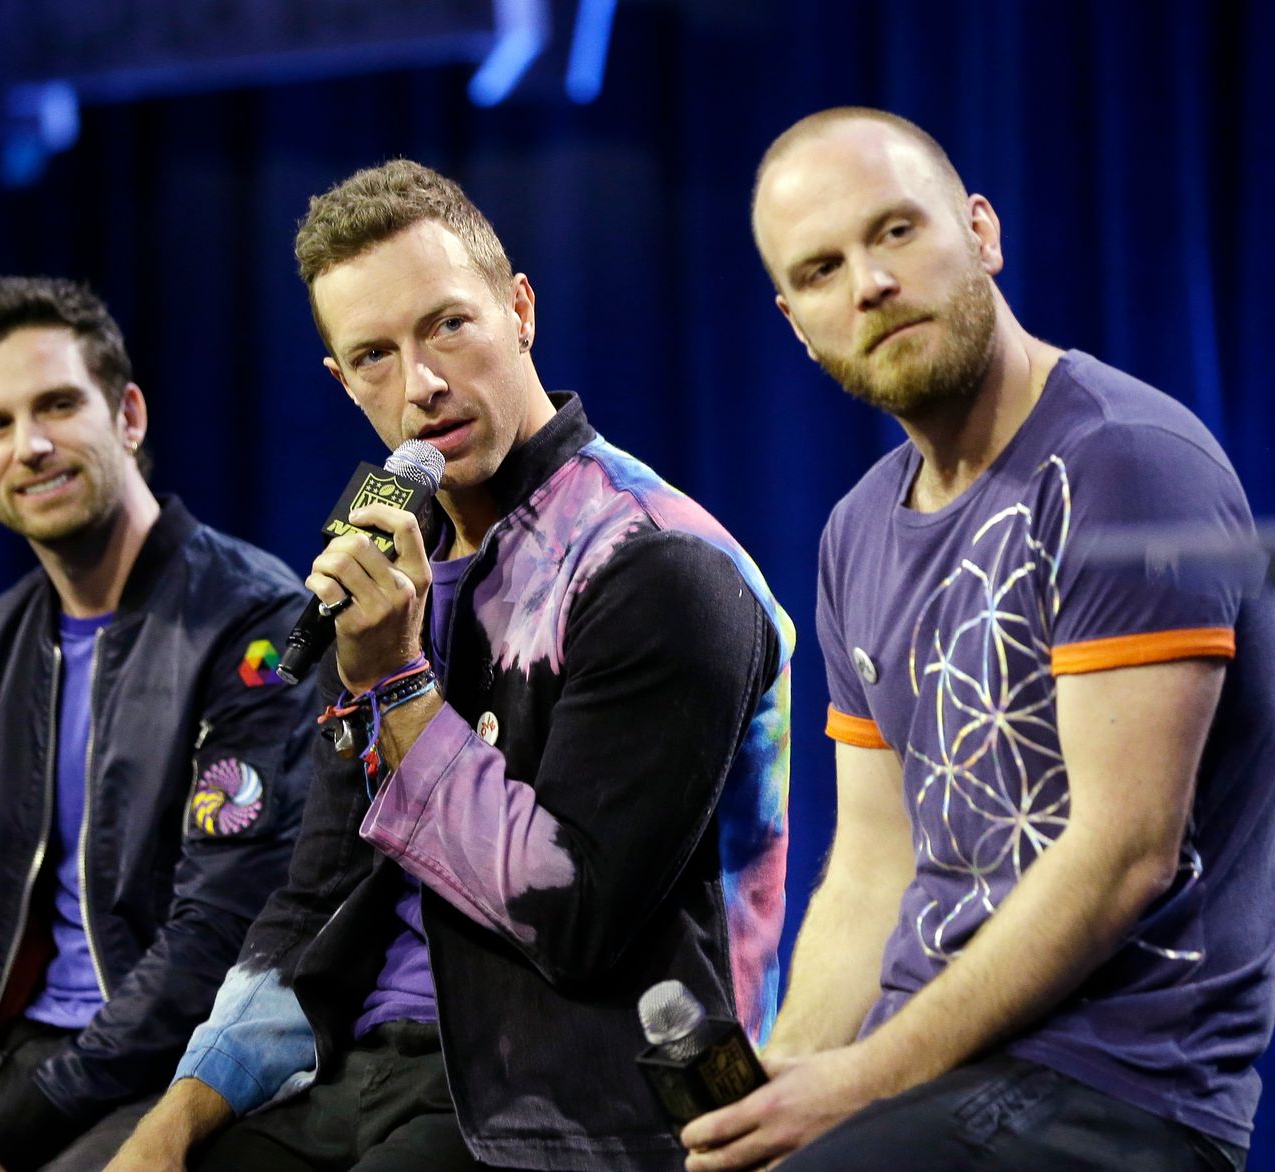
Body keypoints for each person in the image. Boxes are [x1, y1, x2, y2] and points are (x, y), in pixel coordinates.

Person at [110, 160, 794, 1171]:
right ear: (342, 382)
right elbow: (318, 896)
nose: (421, 384)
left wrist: (395, 685)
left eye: (447, 326)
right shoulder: (397, 566)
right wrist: (175, 1116)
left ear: (519, 309)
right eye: (375, 355)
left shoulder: (654, 564)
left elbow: (572, 916)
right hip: (360, 1070)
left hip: (569, 1100)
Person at [681, 107, 1275, 1172]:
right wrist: (777, 1090)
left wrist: (863, 1079)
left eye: (896, 232)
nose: (869, 283)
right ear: (796, 321)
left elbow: (1124, 855)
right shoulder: (857, 531)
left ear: (982, 231)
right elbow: (876, 867)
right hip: (939, 1072)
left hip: (1120, 1087)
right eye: (822, 269)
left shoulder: (1127, 463)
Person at [0, 276, 316, 1172]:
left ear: (128, 415)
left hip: (186, 1068)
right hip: (24, 1052)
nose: (30, 445)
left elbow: (219, 938)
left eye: (58, 404)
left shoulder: (255, 623)